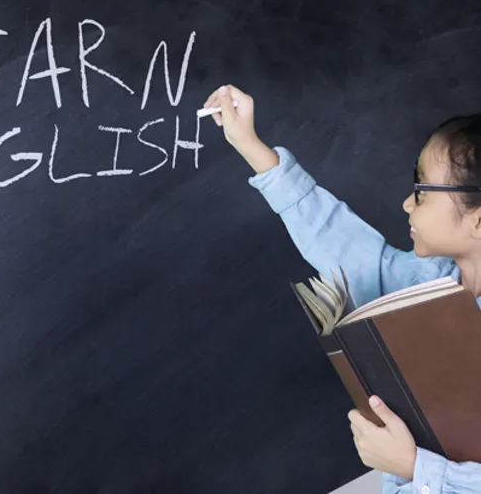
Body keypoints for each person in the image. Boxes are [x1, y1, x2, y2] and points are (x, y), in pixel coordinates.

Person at [203, 84, 481, 494]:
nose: (406, 203)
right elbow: (343, 243)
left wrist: (414, 466)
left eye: (421, 191)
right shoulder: (426, 281)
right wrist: (251, 146)